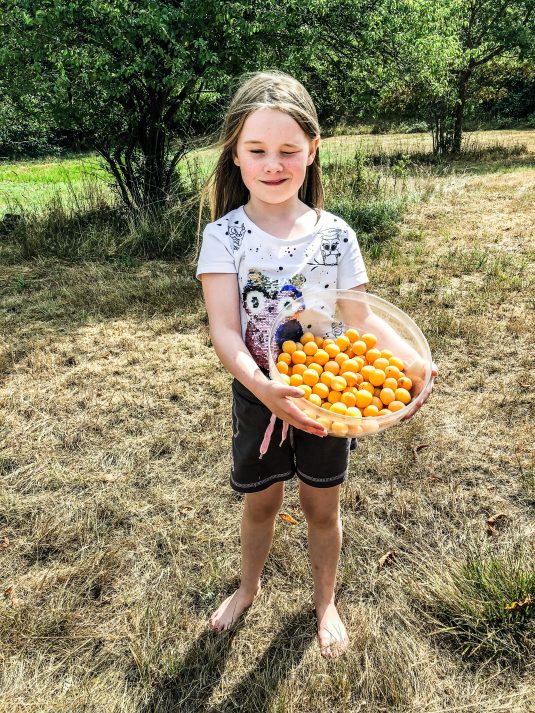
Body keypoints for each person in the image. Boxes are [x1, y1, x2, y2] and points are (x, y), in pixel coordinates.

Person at [195, 70, 437, 658]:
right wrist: (263, 386)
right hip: (260, 396)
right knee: (262, 502)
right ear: (236, 153)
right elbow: (225, 331)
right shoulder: (224, 237)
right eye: (257, 150)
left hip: (331, 407)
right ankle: (247, 587)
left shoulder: (334, 236)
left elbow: (359, 321)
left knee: (321, 507)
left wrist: (412, 363)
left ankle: (325, 602)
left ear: (313, 151)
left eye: (287, 150)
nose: (272, 163)